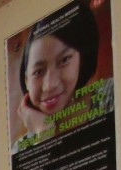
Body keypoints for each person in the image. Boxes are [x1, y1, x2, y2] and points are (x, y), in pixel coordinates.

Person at [16, 1, 103, 142]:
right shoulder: (21, 147)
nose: (50, 85)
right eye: (38, 72)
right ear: (26, 80)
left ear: (82, 59)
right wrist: (44, 133)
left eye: (64, 61)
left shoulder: (113, 97)